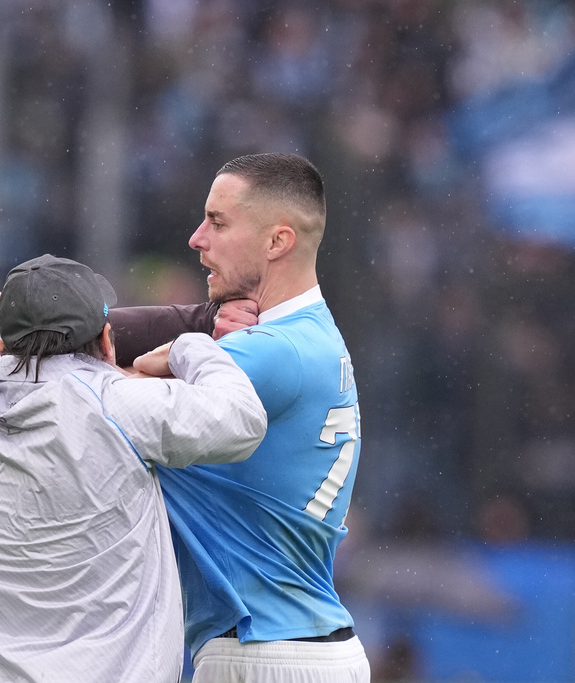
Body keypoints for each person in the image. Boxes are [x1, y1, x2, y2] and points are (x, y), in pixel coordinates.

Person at [0, 254, 267, 683]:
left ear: (2, 346)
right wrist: (189, 345)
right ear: (107, 343)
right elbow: (245, 419)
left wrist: (4, 317)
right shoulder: (120, 403)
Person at [135, 153, 372, 682]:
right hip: (302, 647)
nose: (197, 238)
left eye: (218, 222)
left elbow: (93, 406)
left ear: (277, 242)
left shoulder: (270, 354)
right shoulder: (309, 337)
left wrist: (15, 336)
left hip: (263, 652)